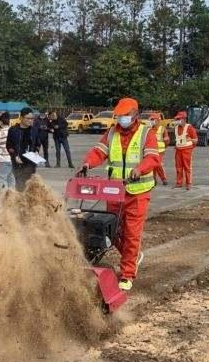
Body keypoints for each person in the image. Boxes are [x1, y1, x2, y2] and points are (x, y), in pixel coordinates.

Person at [80, 97, 160, 291]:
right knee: (112, 230)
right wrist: (87, 163)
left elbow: (152, 158)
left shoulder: (146, 133)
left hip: (138, 192)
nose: (121, 119)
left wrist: (139, 169)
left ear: (135, 115)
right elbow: (99, 152)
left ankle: (127, 274)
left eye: (125, 115)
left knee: (132, 234)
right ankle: (131, 256)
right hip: (115, 192)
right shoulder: (111, 133)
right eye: (119, 116)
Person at [6, 107, 37, 191]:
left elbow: (37, 144)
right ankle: (20, 202)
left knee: (30, 185)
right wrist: (15, 156)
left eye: (32, 118)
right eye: (28, 118)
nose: (30, 120)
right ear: (21, 118)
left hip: (31, 163)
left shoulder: (34, 130)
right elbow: (9, 146)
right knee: (20, 185)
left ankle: (29, 202)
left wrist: (37, 151)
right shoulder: (13, 130)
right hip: (18, 162)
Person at [173, 111, 197, 190]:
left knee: (187, 167)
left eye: (179, 119)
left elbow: (195, 140)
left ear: (184, 119)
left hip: (187, 150)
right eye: (177, 119)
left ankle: (188, 183)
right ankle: (179, 183)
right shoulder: (176, 128)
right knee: (178, 167)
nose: (177, 120)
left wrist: (190, 148)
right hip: (178, 150)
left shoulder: (189, 127)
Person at [149, 113, 169, 185]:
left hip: (160, 151)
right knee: (152, 166)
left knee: (158, 164)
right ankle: (154, 180)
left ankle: (164, 179)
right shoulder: (149, 129)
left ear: (157, 120)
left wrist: (163, 147)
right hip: (151, 151)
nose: (151, 121)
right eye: (151, 119)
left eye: (152, 119)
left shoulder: (162, 129)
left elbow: (167, 141)